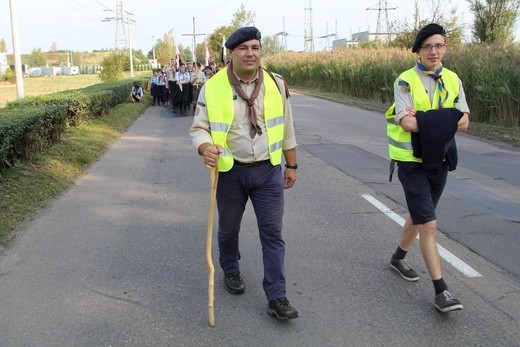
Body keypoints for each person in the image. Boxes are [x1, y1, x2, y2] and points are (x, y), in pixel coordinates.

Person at [190, 26, 299, 320]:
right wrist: (204, 148)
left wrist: (292, 165)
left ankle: (277, 295)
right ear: (231, 53)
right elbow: (199, 128)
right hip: (230, 172)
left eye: (255, 47)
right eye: (243, 48)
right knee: (229, 228)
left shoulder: (276, 84)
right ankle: (231, 269)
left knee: (272, 235)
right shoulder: (212, 87)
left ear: (260, 51)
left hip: (268, 171)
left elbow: (287, 128)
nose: (250, 53)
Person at [385, 23, 470, 313]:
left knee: (422, 217)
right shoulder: (405, 81)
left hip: (440, 159)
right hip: (411, 162)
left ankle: (398, 257)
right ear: (418, 51)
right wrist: (445, 118)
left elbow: (466, 122)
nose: (433, 51)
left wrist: (424, 117)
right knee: (429, 225)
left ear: (445, 48)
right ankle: (441, 291)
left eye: (439, 45)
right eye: (427, 46)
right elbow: (405, 122)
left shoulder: (453, 79)